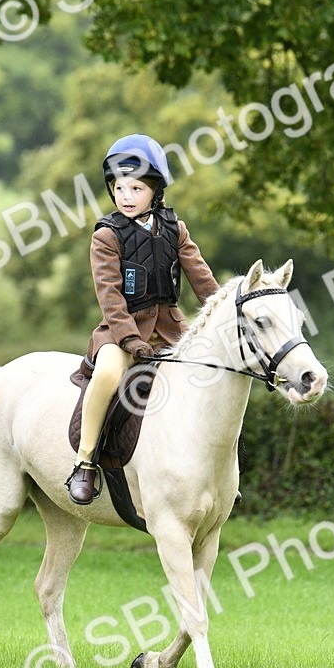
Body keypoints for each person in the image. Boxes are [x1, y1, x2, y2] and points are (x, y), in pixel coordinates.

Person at [67, 134, 220, 505]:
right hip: (121, 332)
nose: (126, 195)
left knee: (216, 376)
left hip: (170, 331)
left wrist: (222, 311)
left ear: (155, 190)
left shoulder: (175, 229)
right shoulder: (107, 235)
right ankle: (85, 460)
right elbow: (109, 295)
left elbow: (202, 279)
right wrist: (128, 338)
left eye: (136, 187)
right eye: (119, 187)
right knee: (106, 375)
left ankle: (219, 470)